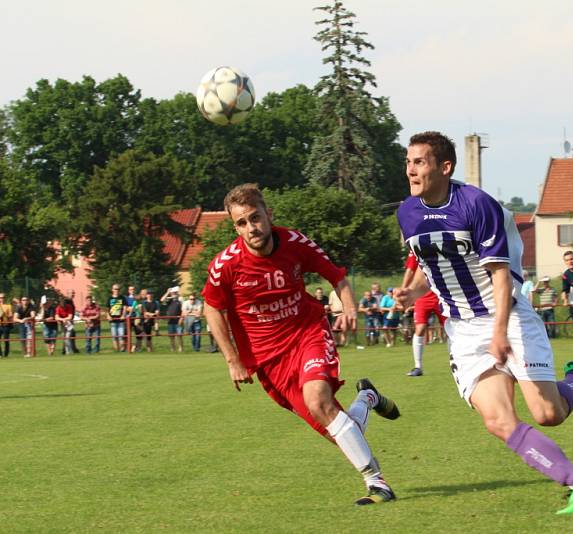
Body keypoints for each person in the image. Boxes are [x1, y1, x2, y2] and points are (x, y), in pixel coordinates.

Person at [396, 131, 573, 514]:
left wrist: (498, 332)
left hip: (507, 316)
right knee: (497, 420)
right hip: (463, 331)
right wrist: (411, 293)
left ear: (445, 167)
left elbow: (501, 274)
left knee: (549, 414)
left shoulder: (477, 205)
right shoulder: (407, 213)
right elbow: (434, 268)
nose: (411, 170)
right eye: (408, 161)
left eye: (420, 162)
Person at [202, 183, 400, 505]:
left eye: (255, 218)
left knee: (319, 402)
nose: (251, 228)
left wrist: (349, 309)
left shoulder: (295, 242)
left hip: (307, 331)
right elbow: (212, 308)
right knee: (340, 431)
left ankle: (377, 483)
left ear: (269, 214)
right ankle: (367, 398)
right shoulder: (225, 265)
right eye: (242, 223)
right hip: (268, 359)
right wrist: (232, 360)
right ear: (234, 226)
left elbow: (337, 277)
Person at [400, 250, 446, 376]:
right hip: (422, 295)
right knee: (420, 328)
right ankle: (418, 367)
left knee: (450, 327)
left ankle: (457, 361)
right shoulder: (415, 247)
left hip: (439, 293)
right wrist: (403, 291)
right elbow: (410, 270)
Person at [161, 287, 184, 352]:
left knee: (179, 335)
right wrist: (167, 292)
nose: (174, 294)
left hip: (178, 321)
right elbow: (162, 300)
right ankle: (173, 348)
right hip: (170, 321)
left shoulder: (180, 300)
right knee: (171, 336)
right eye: (173, 293)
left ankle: (181, 348)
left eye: (175, 292)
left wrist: (181, 319)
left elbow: (183, 310)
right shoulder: (169, 300)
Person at [107, 284, 126, 352]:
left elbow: (124, 307)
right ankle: (117, 351)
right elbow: (107, 309)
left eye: (118, 289)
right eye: (115, 289)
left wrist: (123, 315)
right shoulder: (109, 298)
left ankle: (122, 350)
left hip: (120, 320)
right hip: (113, 320)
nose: (116, 290)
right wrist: (108, 316)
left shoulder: (122, 298)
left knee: (121, 336)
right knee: (114, 336)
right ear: (112, 290)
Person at [0, 293, 12, 357]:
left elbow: (10, 315)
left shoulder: (8, 306)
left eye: (3, 297)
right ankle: (0, 354)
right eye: (0, 298)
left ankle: (6, 354)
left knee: (6, 340)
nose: (2, 299)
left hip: (6, 325)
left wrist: (5, 314)